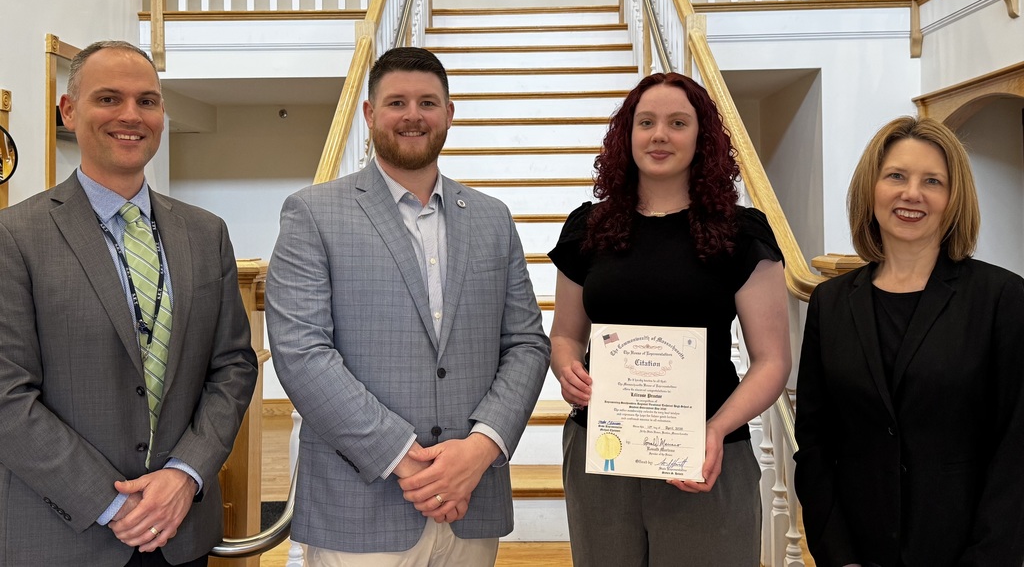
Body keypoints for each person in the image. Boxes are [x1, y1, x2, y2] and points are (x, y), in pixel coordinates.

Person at [265, 46, 551, 566]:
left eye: (428, 102)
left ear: (449, 114)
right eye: (397, 102)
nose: (413, 115)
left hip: (472, 500)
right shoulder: (313, 213)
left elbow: (527, 343)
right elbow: (301, 353)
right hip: (361, 506)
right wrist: (402, 457)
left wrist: (482, 447)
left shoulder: (492, 218)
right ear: (370, 114)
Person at [0, 40, 258, 566]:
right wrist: (112, 501)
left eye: (147, 101)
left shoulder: (206, 234)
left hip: (180, 532)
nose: (130, 116)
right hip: (63, 536)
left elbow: (232, 365)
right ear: (69, 110)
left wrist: (186, 473)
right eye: (108, 99)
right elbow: (7, 396)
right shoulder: (15, 237)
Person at [549, 72, 791, 566]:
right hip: (604, 451)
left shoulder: (740, 235)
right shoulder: (588, 228)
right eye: (647, 122)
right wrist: (567, 366)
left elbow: (772, 361)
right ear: (627, 135)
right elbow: (565, 336)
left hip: (706, 456)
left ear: (703, 139)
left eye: (678, 123)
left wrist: (717, 429)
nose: (660, 135)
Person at [794, 116, 1024, 567]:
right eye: (896, 176)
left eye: (932, 181)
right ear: (872, 188)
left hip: (966, 552)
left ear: (953, 198)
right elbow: (816, 441)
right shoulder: (831, 302)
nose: (911, 194)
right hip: (858, 551)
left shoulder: (1003, 298)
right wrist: (839, 555)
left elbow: (1016, 448)